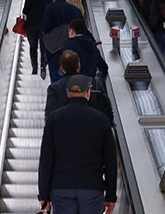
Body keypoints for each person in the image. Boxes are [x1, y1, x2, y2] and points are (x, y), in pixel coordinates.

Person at [38, 76, 117, 214]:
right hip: (92, 188)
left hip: (61, 188)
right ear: (88, 92)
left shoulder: (54, 119)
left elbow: (46, 159)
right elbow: (110, 161)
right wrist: (111, 196)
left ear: (67, 93)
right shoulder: (101, 120)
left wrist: (44, 195)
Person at [44, 51, 114, 124]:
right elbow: (107, 110)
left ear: (61, 68)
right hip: (92, 130)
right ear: (79, 65)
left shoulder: (54, 88)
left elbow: (50, 115)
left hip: (65, 131)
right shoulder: (94, 83)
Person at [41, 0, 84, 83]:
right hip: (72, 47)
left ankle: (59, 93)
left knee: (56, 77)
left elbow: (44, 27)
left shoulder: (50, 8)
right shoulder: (75, 10)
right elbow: (81, 29)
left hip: (55, 49)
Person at [23, 0, 52, 76]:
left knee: (33, 47)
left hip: (31, 25)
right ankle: (43, 66)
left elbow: (25, 11)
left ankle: (34, 67)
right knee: (43, 47)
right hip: (44, 25)